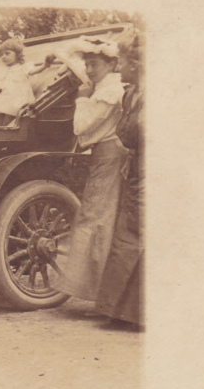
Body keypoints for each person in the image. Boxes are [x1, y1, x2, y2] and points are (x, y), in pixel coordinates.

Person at [57, 37, 129, 303]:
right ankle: (97, 291)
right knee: (98, 217)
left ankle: (99, 292)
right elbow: (66, 54)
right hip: (105, 155)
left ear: (111, 65)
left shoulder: (108, 91)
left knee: (96, 218)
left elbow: (81, 127)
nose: (88, 70)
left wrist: (81, 100)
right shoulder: (102, 84)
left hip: (109, 156)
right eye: (87, 64)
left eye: (94, 64)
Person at [95, 38, 144, 325]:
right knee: (126, 233)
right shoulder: (129, 96)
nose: (119, 67)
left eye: (122, 63)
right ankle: (117, 309)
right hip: (135, 168)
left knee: (142, 231)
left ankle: (139, 313)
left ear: (136, 66)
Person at [0, 38, 34, 126]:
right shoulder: (0, 69)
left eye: (7, 53)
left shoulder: (22, 68)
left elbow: (33, 71)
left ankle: (6, 138)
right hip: (0, 101)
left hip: (15, 101)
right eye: (1, 54)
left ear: (17, 55)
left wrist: (45, 65)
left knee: (8, 123)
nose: (3, 56)